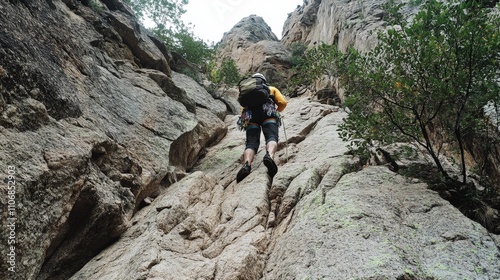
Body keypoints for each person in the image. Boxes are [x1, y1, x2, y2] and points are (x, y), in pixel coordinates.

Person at [236, 73, 287, 182]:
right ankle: (269, 156)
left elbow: (242, 110)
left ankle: (247, 164)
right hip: (268, 114)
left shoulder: (247, 93)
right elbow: (282, 102)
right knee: (271, 137)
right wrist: (276, 111)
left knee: (251, 143)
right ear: (263, 81)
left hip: (251, 117)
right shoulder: (271, 89)